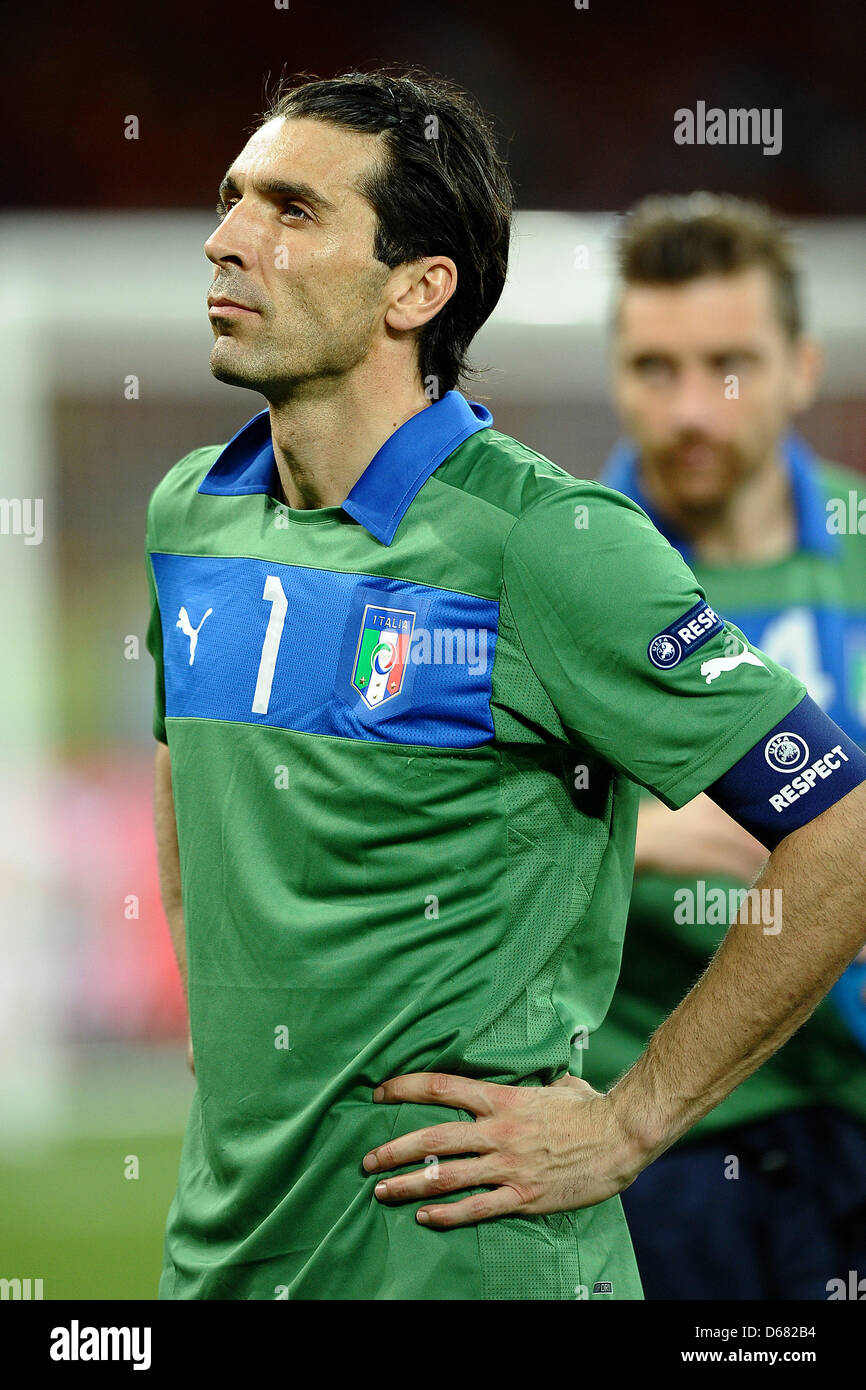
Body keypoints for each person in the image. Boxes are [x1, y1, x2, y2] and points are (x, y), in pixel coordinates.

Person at [146, 71, 866, 1300]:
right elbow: (197, 835)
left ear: (417, 291)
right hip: (226, 1255)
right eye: (231, 201)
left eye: (292, 210)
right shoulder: (190, 518)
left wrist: (632, 1121)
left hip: (464, 1262)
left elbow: (842, 826)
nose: (226, 239)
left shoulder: (549, 543)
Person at [584, 192, 866, 1299]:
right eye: (653, 367)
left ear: (799, 368)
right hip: (633, 1135)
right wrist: (643, 835)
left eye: (727, 365)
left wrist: (825, 855)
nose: (690, 407)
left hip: (846, 1115)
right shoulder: (544, 568)